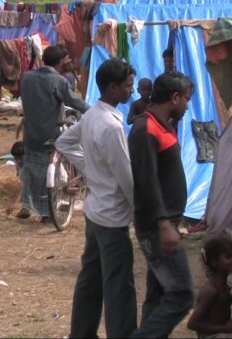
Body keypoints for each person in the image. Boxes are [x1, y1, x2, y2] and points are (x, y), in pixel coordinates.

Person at [56, 58, 138, 338]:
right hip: (112, 217)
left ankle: (82, 332)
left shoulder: (92, 115)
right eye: (128, 86)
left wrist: (90, 168)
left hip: (95, 213)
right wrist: (138, 209)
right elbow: (125, 176)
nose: (132, 91)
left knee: (91, 279)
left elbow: (64, 142)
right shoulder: (110, 126)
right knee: (118, 285)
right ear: (113, 88)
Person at [128, 71, 195, 338]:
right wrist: (163, 224)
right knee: (181, 294)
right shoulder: (145, 129)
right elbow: (146, 181)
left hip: (165, 222)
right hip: (157, 225)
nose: (188, 106)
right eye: (186, 100)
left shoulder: (161, 124)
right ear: (174, 97)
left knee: (158, 297)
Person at [18, 45, 90, 221]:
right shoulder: (58, 81)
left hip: (31, 134)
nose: (69, 63)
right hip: (51, 133)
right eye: (66, 60)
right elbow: (74, 101)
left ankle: (27, 205)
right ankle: (48, 211)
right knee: (53, 171)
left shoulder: (27, 78)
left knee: (30, 172)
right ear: (59, 62)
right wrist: (94, 111)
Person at [187, 237, 232, 338]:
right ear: (214, 262)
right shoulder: (211, 290)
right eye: (228, 257)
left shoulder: (225, 287)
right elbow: (192, 324)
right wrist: (224, 329)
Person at [6, 141, 25, 215]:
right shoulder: (18, 165)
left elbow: (26, 186)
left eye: (21, 158)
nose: (18, 161)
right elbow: (24, 185)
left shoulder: (32, 165)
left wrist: (16, 202)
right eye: (16, 159)